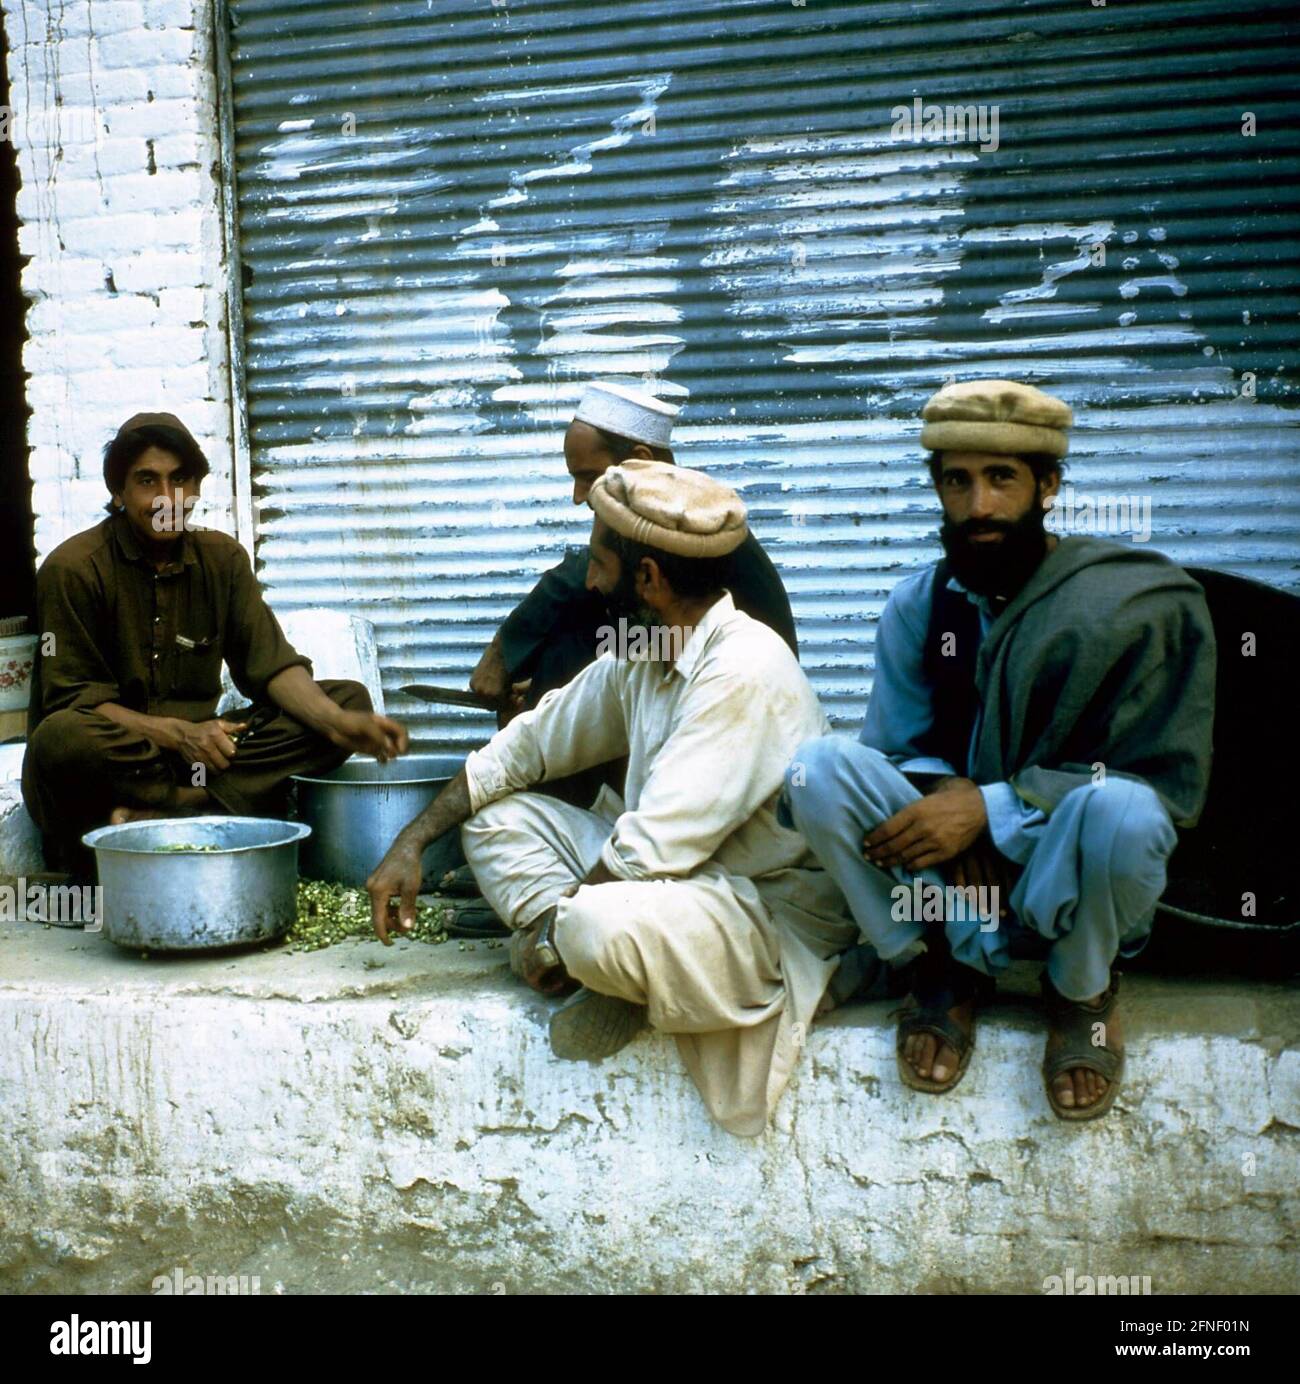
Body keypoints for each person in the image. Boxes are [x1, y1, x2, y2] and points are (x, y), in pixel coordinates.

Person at [366, 461, 856, 1136]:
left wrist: (547, 932)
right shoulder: (644, 651)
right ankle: (587, 965)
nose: (590, 581)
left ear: (648, 579)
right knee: (495, 823)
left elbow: (649, 850)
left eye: (598, 563)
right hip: (666, 883)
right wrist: (412, 840)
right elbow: (527, 746)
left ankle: (581, 955)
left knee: (595, 925)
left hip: (758, 907)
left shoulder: (744, 668)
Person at [782, 380, 1216, 1120]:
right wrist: (946, 814)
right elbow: (896, 751)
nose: (978, 506)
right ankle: (940, 970)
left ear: (1048, 486)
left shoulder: (1127, 605)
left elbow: (1159, 777)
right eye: (958, 481)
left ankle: (1080, 990)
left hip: (1064, 870)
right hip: (954, 890)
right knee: (816, 770)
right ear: (938, 489)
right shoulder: (923, 604)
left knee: (1128, 813)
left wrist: (990, 810)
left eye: (1001, 479)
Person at [22, 411, 408, 878]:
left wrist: (340, 723)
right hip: (118, 763)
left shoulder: (222, 559)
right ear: (117, 493)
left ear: (197, 487)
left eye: (179, 479)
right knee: (61, 738)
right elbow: (72, 703)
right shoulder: (74, 569)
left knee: (344, 697)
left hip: (203, 763)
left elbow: (270, 665)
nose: (167, 499)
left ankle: (171, 817)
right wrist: (177, 733)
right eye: (147, 481)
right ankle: (202, 813)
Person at [469, 380, 797, 718]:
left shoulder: (695, 529)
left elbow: (579, 576)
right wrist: (551, 685)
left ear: (641, 461)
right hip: (681, 668)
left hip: (737, 703)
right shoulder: (665, 523)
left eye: (588, 477)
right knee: (569, 647)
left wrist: (504, 648)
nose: (579, 496)